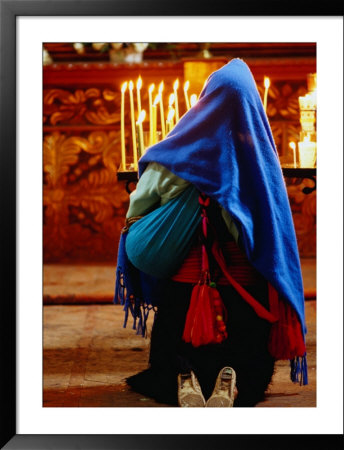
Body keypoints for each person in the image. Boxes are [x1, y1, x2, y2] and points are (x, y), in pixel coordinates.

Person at [114, 58, 308, 407]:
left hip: (184, 302)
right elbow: (273, 236)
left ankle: (183, 378)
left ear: (204, 102)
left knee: (171, 352)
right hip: (244, 303)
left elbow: (137, 212)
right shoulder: (260, 164)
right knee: (249, 359)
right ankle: (233, 384)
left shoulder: (169, 158)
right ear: (253, 106)